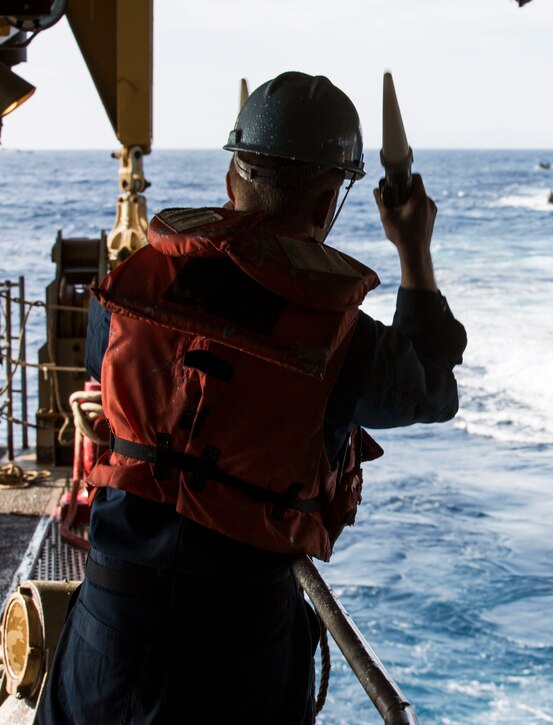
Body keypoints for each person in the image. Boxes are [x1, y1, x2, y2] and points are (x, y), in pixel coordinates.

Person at [35, 72, 466, 724]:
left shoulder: (131, 287)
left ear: (233, 181)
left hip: (110, 633)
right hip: (239, 657)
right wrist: (413, 249)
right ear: (326, 206)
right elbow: (435, 386)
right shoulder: (346, 346)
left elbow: (120, 373)